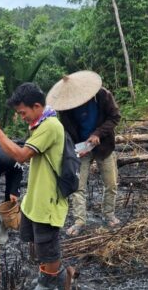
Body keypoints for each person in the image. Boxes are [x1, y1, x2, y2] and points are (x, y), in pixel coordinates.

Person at [0, 83, 75, 290]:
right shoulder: (39, 124)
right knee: (39, 243)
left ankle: (48, 287)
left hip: (48, 198)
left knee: (47, 244)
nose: (21, 117)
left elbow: (21, 155)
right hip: (37, 196)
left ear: (36, 106)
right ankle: (55, 277)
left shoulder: (50, 126)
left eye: (23, 112)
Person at [46, 71, 121, 236]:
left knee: (111, 183)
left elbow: (115, 117)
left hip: (104, 145)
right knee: (78, 187)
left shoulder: (103, 95)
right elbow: (65, 130)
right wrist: (72, 149)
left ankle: (109, 214)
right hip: (81, 148)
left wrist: (98, 133)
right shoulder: (65, 107)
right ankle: (79, 221)